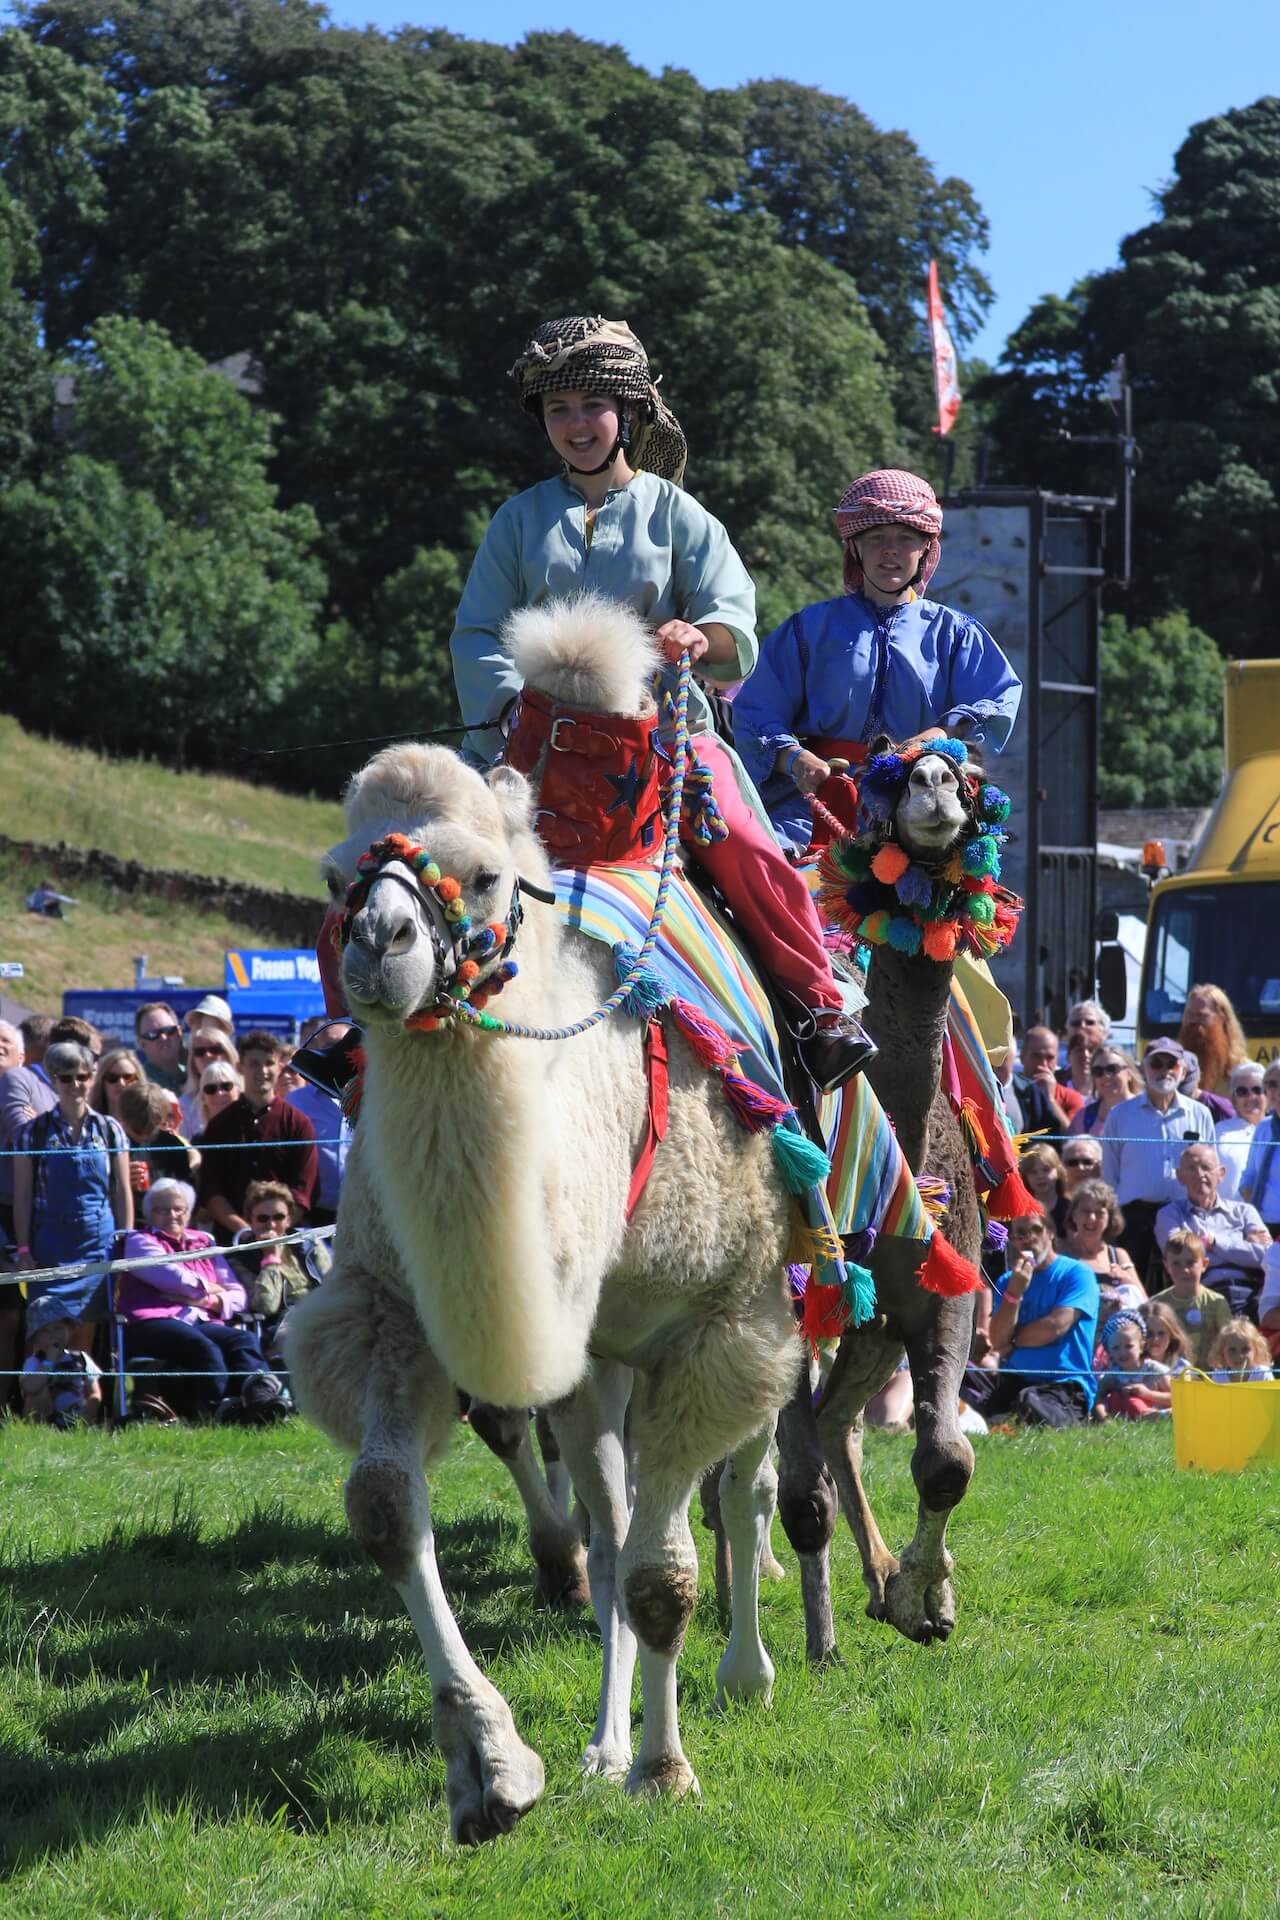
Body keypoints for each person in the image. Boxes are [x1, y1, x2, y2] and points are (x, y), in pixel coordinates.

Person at [446, 312, 873, 1094]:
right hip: (532, 743)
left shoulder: (678, 514)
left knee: (743, 843)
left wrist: (698, 634)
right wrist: (508, 709)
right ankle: (365, 1033)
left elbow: (735, 621)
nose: (576, 424)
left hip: (665, 738)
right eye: (558, 409)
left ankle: (818, 1007)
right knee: (426, 851)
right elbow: (477, 633)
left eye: (592, 405)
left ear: (630, 411)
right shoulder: (516, 520)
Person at [731, 467, 1023, 855]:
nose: (890, 551)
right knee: (759, 872)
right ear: (855, 548)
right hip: (812, 810)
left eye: (905, 539)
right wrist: (795, 759)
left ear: (926, 548)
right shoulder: (807, 629)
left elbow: (997, 699)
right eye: (876, 538)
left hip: (921, 805)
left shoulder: (956, 633)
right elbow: (754, 713)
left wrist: (937, 735)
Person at [116, 1179, 289, 1421]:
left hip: (200, 1319)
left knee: (243, 1339)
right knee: (204, 1347)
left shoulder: (204, 1242)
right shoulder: (139, 1241)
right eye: (162, 1210)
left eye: (179, 1209)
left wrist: (207, 1301)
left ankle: (260, 1397)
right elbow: (176, 1279)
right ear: (149, 1214)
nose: (172, 1215)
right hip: (152, 1321)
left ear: (188, 1212)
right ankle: (214, 1410)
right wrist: (212, 1288)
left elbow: (238, 1295)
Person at [12, 1040, 132, 1328]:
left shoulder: (110, 1129)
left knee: (87, 1329)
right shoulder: (32, 1133)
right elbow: (23, 1195)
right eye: (66, 1078)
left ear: (92, 1078)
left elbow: (121, 1189)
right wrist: (24, 1249)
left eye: (82, 1076)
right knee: (44, 1330)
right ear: (54, 1080)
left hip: (99, 1242)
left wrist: (126, 1241)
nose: (75, 1084)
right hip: (51, 1244)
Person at [960, 1212, 1100, 1427]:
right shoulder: (1008, 1281)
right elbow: (997, 1340)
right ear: (1013, 1241)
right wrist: (1014, 1294)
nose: (1029, 1238)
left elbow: (1056, 1326)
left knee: (1029, 1403)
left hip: (1063, 1385)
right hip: (1015, 1380)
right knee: (962, 1382)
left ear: (1050, 1233)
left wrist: (1013, 1342)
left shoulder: (1077, 1273)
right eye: (1021, 1233)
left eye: (1036, 1229)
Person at [1101, 1041, 1216, 1282]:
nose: (1164, 1071)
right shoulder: (1120, 1115)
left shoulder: (1200, 1114)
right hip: (1134, 1219)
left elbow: (1210, 1168)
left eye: (1171, 1064)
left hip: (1184, 1216)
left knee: (1184, 1286)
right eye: (1156, 1063)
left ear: (1183, 1070)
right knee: (1134, 1287)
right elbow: (1110, 1174)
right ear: (1143, 1069)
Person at [197, 1031, 317, 1238]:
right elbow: (212, 1191)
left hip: (284, 1239)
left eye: (269, 1063)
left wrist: (274, 1229)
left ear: (279, 1067)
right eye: (254, 1064)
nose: (263, 1070)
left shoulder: (298, 1124)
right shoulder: (219, 1126)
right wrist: (245, 1231)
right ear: (240, 1067)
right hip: (233, 1241)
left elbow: (303, 1191)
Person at [1154, 1143, 1270, 1319]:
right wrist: (1245, 1246)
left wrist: (1213, 1242)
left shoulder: (1245, 1212)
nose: (1199, 1174)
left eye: (1206, 1167)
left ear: (1221, 1174)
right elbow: (1178, 1256)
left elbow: (1267, 1257)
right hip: (1202, 1295)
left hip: (1251, 1293)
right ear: (1180, 1176)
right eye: (1191, 1168)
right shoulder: (1170, 1215)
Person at [227, 1179, 327, 1372]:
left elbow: (331, 1281)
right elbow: (266, 1305)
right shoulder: (239, 1259)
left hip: (321, 1311)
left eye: (279, 1217)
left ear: (289, 1219)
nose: (271, 1225)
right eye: (262, 1218)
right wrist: (270, 1259)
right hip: (282, 1323)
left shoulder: (308, 1243)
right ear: (250, 1221)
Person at [283, 1019, 351, 1226]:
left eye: (344, 1045)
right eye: (330, 1045)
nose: (338, 1053)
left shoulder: (375, 1100)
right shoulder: (295, 1102)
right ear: (315, 1047)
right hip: (312, 1218)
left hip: (365, 1214)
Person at [1059, 1179, 1146, 1331]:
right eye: (1085, 1211)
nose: (1091, 1218)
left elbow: (1144, 1303)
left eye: (1099, 1213)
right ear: (1073, 1214)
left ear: (1110, 1218)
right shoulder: (1060, 1252)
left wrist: (1126, 1279)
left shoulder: (1118, 1255)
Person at [1147, 1229, 1232, 1369]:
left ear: (1204, 1264)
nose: (1184, 1270)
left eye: (1190, 1263)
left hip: (1209, 1377)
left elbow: (1229, 1342)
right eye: (1176, 1263)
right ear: (1166, 1265)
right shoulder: (1157, 1303)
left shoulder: (1217, 1303)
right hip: (1169, 1377)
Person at [20, 1292, 103, 1427]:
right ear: (35, 1338)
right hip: (44, 1418)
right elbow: (29, 1387)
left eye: (58, 1328)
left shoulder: (80, 1358)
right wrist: (49, 1361)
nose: (53, 1335)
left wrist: (88, 1412)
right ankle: (39, 1428)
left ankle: (76, 1428)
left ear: (68, 1329)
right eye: (45, 1331)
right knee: (37, 1393)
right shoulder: (34, 1362)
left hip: (76, 1416)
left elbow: (95, 1393)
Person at [117, 1082, 197, 1197]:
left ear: (161, 1120)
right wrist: (121, 1179)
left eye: (150, 1129)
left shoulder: (171, 1144)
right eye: (137, 1130)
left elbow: (187, 1189)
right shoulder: (111, 1143)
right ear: (123, 1118)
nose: (144, 1136)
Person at [1096, 1309, 1171, 1419]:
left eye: (1129, 1346)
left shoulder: (1154, 1370)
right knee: (1116, 1397)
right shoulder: (1113, 1375)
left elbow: (1176, 1398)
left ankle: (1151, 1416)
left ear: (1141, 1346)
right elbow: (1098, 1398)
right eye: (1116, 1348)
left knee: (1132, 1400)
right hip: (1125, 1416)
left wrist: (1147, 1393)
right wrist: (1103, 1417)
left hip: (1154, 1412)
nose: (1123, 1353)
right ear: (1109, 1351)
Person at [1178, 983, 1247, 1103]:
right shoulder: (1173, 1066)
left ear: (1222, 1018)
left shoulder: (1243, 1072)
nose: (1193, 1021)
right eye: (1190, 1015)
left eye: (1201, 1016)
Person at [1013, 1027, 1080, 1137]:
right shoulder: (1009, 1091)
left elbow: (1072, 1137)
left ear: (1057, 1059)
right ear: (1022, 1056)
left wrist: (1050, 1099)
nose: (1043, 1064)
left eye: (1050, 1058)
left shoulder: (1071, 1097)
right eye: (1037, 1056)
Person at [1239, 1063, 1280, 1233]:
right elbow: (1249, 1175)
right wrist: (1253, 1212)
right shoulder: (1263, 1127)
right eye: (1271, 1084)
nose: (1276, 1091)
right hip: (1263, 1224)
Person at [1067, 1046, 1141, 1138]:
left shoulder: (1148, 1112)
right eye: (1098, 1071)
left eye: (1112, 1069)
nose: (1106, 1076)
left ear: (1129, 1073)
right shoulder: (1083, 1118)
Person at [1216, 1062, 1265, 1199]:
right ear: (1233, 1099)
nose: (1250, 1097)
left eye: (1257, 1090)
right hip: (1229, 1211)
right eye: (1242, 1091)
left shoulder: (1275, 1130)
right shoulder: (1218, 1133)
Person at [178, 1027, 240, 1136]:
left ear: (228, 1054)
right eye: (200, 1052)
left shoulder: (250, 1097)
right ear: (193, 1062)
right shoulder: (184, 1106)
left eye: (215, 1050)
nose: (207, 1055)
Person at [134, 1002, 185, 1093]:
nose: (163, 1037)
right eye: (153, 1034)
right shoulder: (136, 1084)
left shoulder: (198, 1076)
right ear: (141, 1043)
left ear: (179, 1032)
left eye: (168, 1030)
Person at [1019, 1144, 1069, 1236]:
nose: (1040, 1176)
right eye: (1033, 1172)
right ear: (1026, 1177)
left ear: (1058, 1171)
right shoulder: (1020, 1210)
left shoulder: (1069, 1208)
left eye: (1046, 1170)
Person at [89, 1047, 147, 1125]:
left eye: (128, 1077)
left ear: (139, 1080)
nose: (121, 1083)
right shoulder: (91, 1125)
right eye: (112, 1078)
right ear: (102, 1083)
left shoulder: (150, 1124)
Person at [1207, 1318, 1273, 1383]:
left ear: (1256, 1351)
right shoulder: (1219, 1376)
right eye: (1232, 1350)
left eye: (1245, 1349)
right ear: (1222, 1352)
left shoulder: (1263, 1374)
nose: (1239, 1356)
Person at [192, 1059, 244, 1139]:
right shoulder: (200, 1141)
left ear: (238, 1090)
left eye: (226, 1086)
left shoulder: (252, 1132)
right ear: (203, 1097)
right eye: (211, 1089)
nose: (219, 1093)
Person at [1143, 1300, 1191, 1377]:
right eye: (1149, 1333)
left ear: (1171, 1335)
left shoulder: (1181, 1367)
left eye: (1161, 1333)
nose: (1155, 1339)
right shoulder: (1131, 1365)